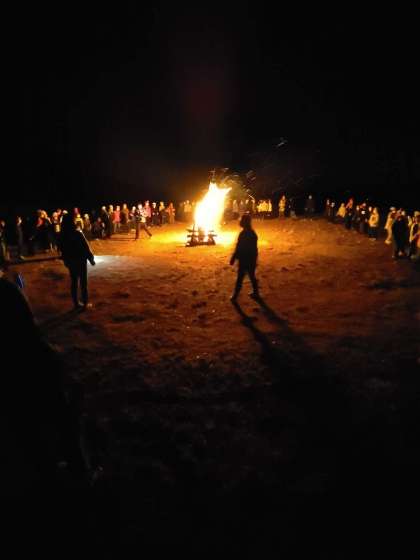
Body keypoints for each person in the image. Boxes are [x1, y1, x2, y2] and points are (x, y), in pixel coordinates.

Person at [59, 214, 96, 309]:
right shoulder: (77, 233)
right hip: (80, 260)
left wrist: (66, 260)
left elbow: (61, 249)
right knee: (83, 282)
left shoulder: (62, 235)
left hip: (70, 261)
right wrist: (91, 258)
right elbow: (85, 246)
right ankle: (85, 302)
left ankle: (76, 303)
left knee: (74, 281)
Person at [229, 213, 259, 301]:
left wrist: (234, 257)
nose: (240, 222)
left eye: (241, 220)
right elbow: (254, 249)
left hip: (245, 260)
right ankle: (256, 292)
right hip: (250, 259)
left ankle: (235, 295)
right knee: (251, 276)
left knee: (240, 277)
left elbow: (239, 247)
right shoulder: (252, 233)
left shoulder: (244, 234)